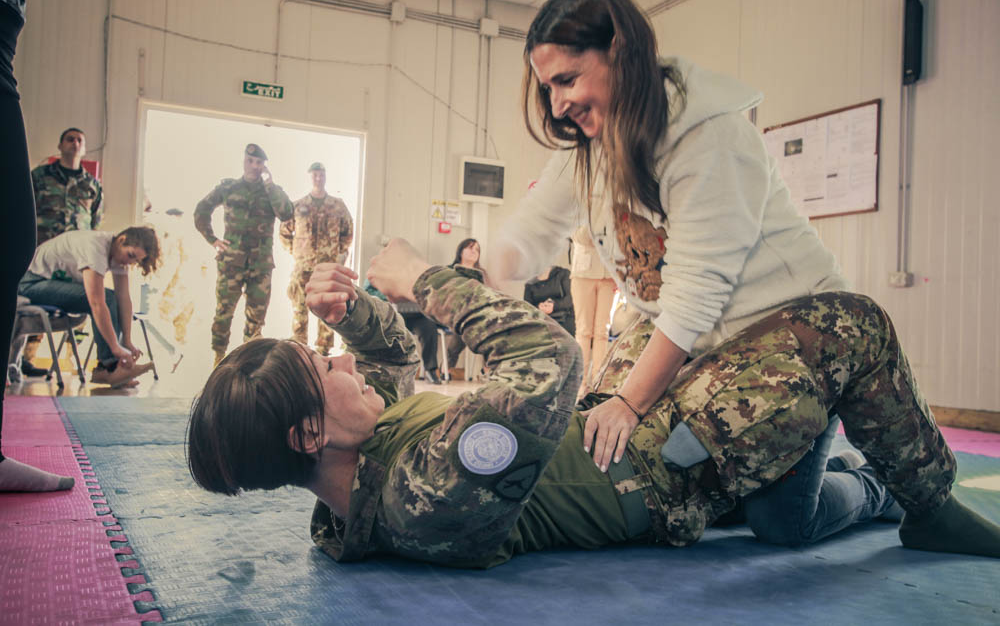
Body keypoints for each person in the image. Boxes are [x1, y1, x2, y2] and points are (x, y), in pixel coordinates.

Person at [186, 238, 1000, 567]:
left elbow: (394, 363)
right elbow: (549, 356)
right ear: (307, 430)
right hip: (672, 462)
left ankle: (809, 447)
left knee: (649, 286)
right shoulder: (421, 496)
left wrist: (356, 311)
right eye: (320, 362)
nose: (340, 360)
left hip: (619, 421)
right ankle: (919, 498)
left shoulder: (363, 463)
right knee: (847, 324)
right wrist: (419, 278)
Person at [488, 0, 936, 547]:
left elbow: (697, 292)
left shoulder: (708, 135)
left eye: (568, 80)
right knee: (693, 484)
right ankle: (798, 460)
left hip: (794, 340)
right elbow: (534, 227)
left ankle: (877, 487)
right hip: (706, 345)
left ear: (620, 53)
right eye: (548, 86)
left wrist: (631, 402)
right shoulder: (589, 147)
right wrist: (481, 275)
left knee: (781, 525)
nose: (557, 104)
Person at [0, 0, 76, 492]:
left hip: (5, 33)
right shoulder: (44, 173)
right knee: (14, 242)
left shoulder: (89, 190)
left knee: (10, 243)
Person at [18, 227, 161, 387]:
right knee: (106, 298)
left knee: (112, 298)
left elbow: (124, 299)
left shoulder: (117, 255)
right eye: (131, 256)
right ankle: (110, 367)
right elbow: (96, 303)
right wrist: (115, 347)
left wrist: (126, 341)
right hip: (30, 284)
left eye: (135, 261)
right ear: (122, 240)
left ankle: (109, 369)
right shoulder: (95, 247)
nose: (130, 262)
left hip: (50, 285)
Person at [194, 144, 293, 366]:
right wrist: (213, 240)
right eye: (251, 161)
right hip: (231, 263)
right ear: (244, 161)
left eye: (259, 163)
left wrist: (270, 185)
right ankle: (218, 360)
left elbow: (287, 213)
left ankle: (249, 366)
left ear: (264, 166)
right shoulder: (229, 188)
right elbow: (201, 210)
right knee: (223, 314)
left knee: (256, 320)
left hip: (261, 265)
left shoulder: (271, 192)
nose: (255, 167)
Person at [18, 126, 105, 378]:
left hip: (75, 259)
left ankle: (71, 359)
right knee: (35, 306)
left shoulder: (92, 185)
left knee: (80, 305)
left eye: (79, 140)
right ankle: (25, 359)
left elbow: (95, 223)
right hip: (41, 254)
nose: (75, 143)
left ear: (84, 148)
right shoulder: (40, 176)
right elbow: (25, 210)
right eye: (70, 139)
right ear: (60, 145)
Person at [279, 161, 354, 356]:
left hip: (327, 269)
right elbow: (284, 233)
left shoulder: (337, 206)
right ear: (310, 177)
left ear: (325, 177)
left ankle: (323, 353)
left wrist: (336, 254)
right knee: (299, 313)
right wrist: (298, 253)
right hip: (303, 269)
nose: (318, 178)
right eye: (315, 175)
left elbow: (347, 233)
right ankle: (300, 354)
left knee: (327, 312)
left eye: (321, 174)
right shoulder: (298, 206)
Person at [570, 225, 616, 390]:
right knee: (583, 331)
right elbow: (579, 236)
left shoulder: (615, 203)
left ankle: (598, 384)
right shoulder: (581, 202)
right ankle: (580, 386)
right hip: (583, 274)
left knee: (602, 332)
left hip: (609, 274)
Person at [444, 238, 490, 375]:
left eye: (477, 250)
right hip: (454, 313)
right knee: (463, 328)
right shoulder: (450, 271)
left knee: (488, 331)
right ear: (461, 251)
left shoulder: (482, 274)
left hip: (477, 314)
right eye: (470, 248)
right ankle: (447, 369)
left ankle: (488, 369)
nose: (473, 252)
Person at [523, 264, 575, 335]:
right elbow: (527, 306)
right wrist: (539, 307)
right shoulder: (530, 283)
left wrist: (554, 305)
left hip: (565, 319)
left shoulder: (563, 274)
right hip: (542, 321)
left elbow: (571, 299)